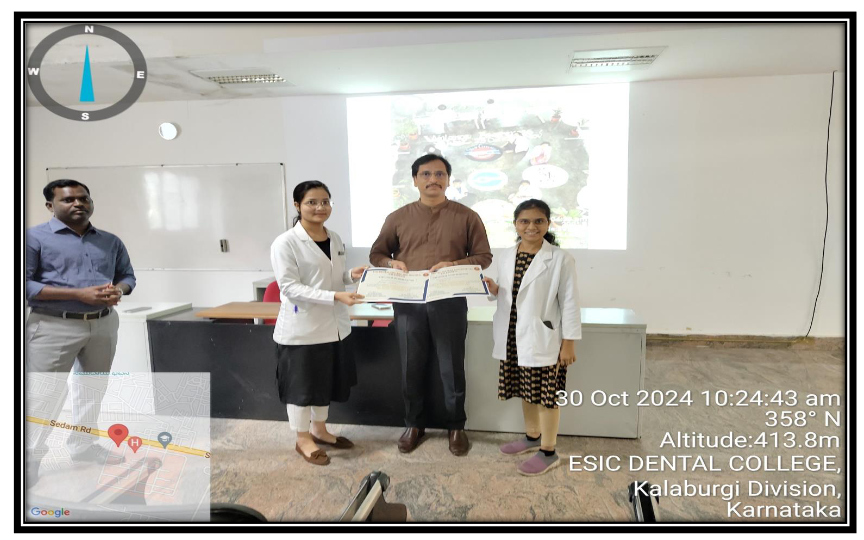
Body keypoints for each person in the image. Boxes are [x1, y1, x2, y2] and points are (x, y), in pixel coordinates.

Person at [370, 154, 492, 456]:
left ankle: (456, 426)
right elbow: (377, 254)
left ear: (448, 179)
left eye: (439, 174)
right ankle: (414, 424)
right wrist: (391, 263)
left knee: (452, 368)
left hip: (450, 302)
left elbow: (484, 257)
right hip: (408, 304)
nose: (433, 179)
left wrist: (454, 265)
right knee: (410, 366)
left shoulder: (467, 216)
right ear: (415, 180)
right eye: (425, 174)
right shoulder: (397, 217)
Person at [25, 179, 137, 479]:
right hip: (52, 325)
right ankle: (28, 458)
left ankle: (83, 445)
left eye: (84, 198)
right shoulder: (32, 238)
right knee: (44, 393)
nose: (78, 203)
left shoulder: (110, 241)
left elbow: (127, 276)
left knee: (92, 388)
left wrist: (119, 290)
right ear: (50, 205)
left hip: (103, 323)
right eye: (68, 199)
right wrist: (78, 294)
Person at [270, 181, 368, 466]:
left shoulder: (333, 238)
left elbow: (330, 278)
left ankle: (320, 430)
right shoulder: (286, 243)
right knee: (302, 387)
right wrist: (336, 295)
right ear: (297, 205)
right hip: (302, 328)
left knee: (324, 382)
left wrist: (350, 275)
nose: (320, 207)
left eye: (325, 201)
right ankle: (302, 438)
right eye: (312, 202)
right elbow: (290, 287)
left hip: (334, 327)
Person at [482, 199, 581, 476]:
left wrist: (569, 343)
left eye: (539, 221)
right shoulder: (507, 255)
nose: (531, 226)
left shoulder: (560, 258)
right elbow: (511, 294)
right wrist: (494, 289)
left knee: (546, 396)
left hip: (543, 337)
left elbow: (570, 303)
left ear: (548, 224)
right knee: (526, 391)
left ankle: (549, 451)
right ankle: (532, 436)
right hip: (513, 336)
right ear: (515, 224)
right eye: (524, 221)